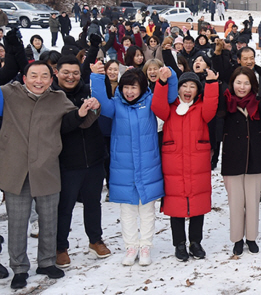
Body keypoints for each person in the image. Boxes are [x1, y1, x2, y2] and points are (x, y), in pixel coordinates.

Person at [0, 62, 99, 289]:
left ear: (51, 78)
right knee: (17, 222)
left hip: (46, 168)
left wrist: (89, 109)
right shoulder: (9, 93)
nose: (39, 81)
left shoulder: (57, 98)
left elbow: (79, 119)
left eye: (44, 76)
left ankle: (46, 262)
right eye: (33, 76)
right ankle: (19, 268)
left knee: (49, 220)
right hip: (16, 170)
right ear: (24, 78)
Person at [91, 64, 177, 266]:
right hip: (123, 168)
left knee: (147, 209)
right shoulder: (115, 105)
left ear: (142, 88)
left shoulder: (151, 102)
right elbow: (101, 100)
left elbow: (170, 97)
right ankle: (131, 246)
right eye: (126, 87)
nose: (129, 92)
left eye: (134, 87)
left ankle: (145, 245)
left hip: (148, 165)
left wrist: (170, 76)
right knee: (127, 210)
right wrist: (96, 76)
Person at [152, 68, 218, 262]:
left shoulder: (201, 108)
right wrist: (162, 83)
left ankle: (195, 242)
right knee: (176, 204)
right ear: (178, 89)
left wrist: (212, 83)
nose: (188, 90)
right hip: (174, 162)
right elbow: (157, 106)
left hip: (197, 161)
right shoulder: (170, 108)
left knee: (198, 202)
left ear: (198, 91)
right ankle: (179, 243)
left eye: (192, 86)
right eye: (184, 86)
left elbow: (212, 108)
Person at [53, 56, 110, 269]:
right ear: (56, 73)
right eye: (66, 72)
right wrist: (80, 114)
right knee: (65, 206)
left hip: (94, 158)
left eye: (75, 73)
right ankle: (61, 247)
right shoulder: (52, 97)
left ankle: (95, 240)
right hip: (68, 161)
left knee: (93, 202)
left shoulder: (88, 90)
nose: (71, 77)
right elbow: (59, 127)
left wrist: (95, 106)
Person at [219, 66, 261, 255]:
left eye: (246, 83)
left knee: (253, 202)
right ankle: (237, 239)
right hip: (232, 159)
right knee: (236, 202)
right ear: (232, 84)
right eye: (238, 83)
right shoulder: (225, 102)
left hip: (255, 158)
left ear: (252, 85)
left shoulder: (258, 103)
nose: (242, 87)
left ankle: (251, 238)